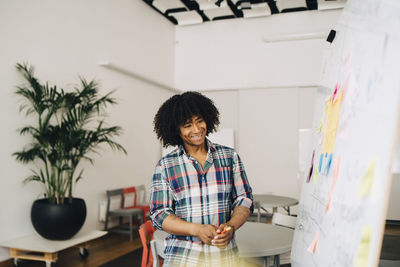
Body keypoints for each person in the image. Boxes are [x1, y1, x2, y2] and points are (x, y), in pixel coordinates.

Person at [150, 91, 253, 267]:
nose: (197, 130)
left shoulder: (230, 157)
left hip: (224, 257)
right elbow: (159, 214)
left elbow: (244, 199)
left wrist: (231, 226)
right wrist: (197, 230)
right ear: (177, 129)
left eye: (199, 121)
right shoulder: (165, 166)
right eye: (187, 125)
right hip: (182, 258)